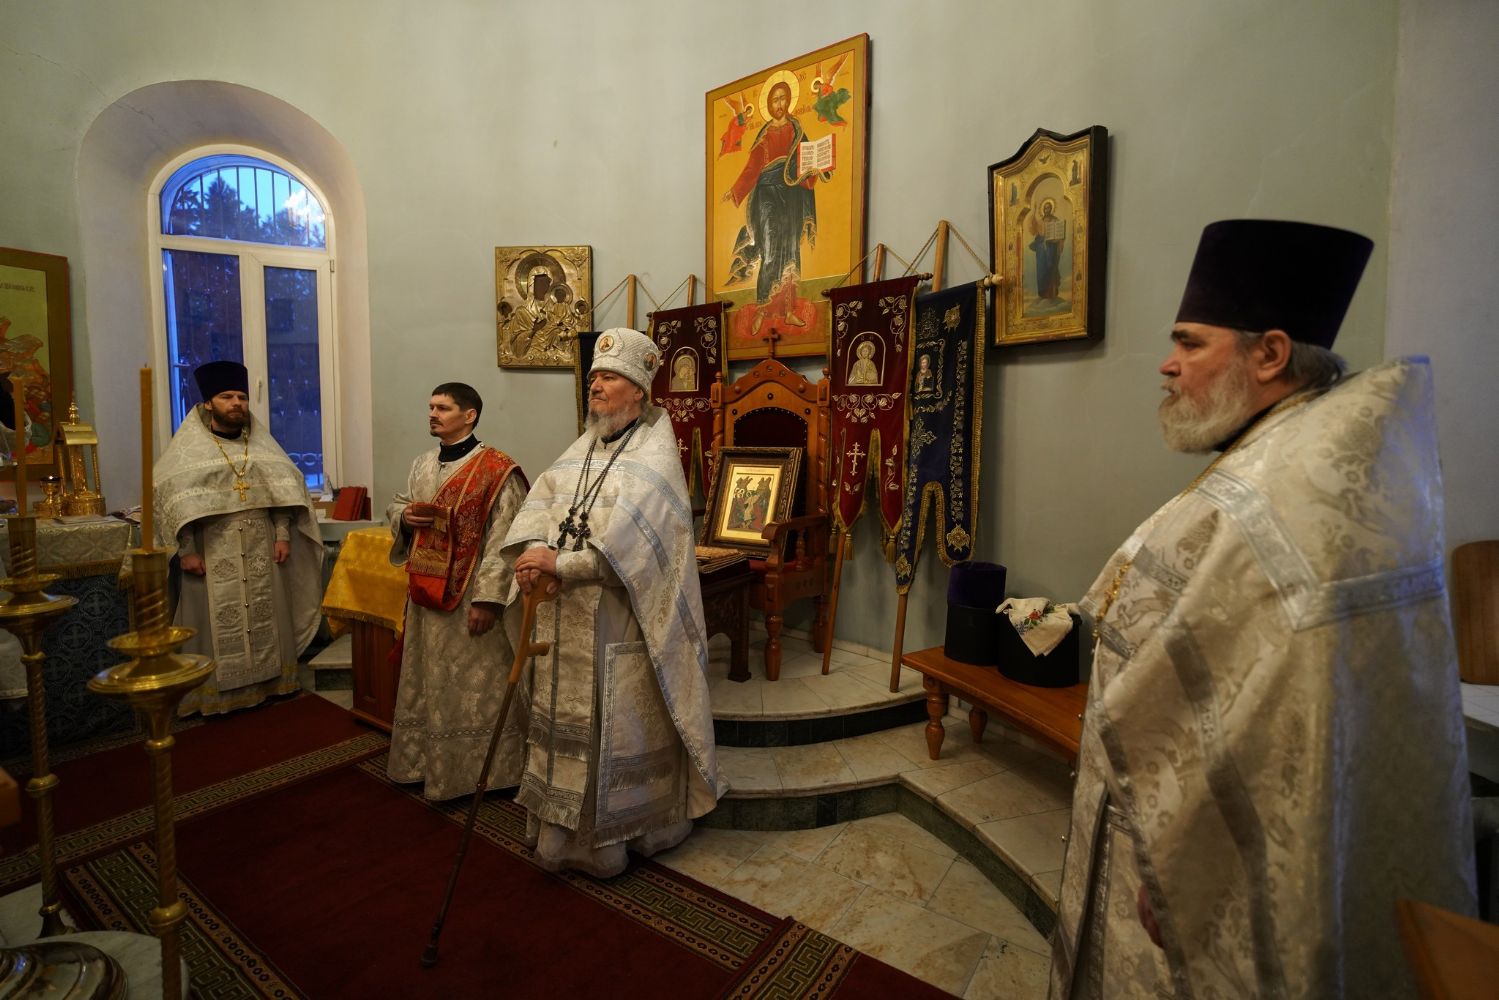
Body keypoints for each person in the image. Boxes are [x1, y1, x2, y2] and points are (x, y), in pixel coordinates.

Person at [1050, 220, 1476, 998]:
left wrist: (1189, 866)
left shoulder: (1285, 493)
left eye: (1189, 343)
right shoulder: (1293, 452)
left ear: (1269, 354)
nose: (1167, 364)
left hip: (1191, 856)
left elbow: (1277, 716)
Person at [503, 327, 722, 877]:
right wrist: (532, 555)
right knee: (562, 722)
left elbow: (635, 546)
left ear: (638, 390)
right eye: (594, 377)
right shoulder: (582, 448)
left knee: (610, 725)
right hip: (560, 614)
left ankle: (617, 838)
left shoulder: (655, 455)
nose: (595, 386)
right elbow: (539, 508)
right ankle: (559, 832)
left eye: (608, 377)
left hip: (617, 620)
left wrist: (562, 564)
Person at [152, 360, 323, 716]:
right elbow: (172, 506)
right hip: (210, 550)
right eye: (227, 396)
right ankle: (213, 697)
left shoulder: (262, 449)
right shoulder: (186, 454)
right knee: (214, 625)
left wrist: (282, 535)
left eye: (242, 397)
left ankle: (271, 685)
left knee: (265, 616)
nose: (236, 404)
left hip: (262, 546)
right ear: (207, 403)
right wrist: (185, 550)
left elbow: (282, 496)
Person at [385, 382, 528, 800]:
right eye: (431, 407)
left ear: (469, 416)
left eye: (443, 408)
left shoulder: (497, 469)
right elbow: (399, 503)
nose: (433, 414)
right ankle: (426, 764)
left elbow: (506, 539)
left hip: (469, 599)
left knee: (474, 688)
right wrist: (405, 517)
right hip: (425, 595)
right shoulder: (422, 464)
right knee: (428, 682)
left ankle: (484, 773)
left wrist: (488, 601)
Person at [723, 75, 831, 303]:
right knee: (770, 246)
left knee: (791, 247)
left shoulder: (797, 131)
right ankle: (763, 303)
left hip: (791, 193)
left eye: (783, 99)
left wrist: (818, 168)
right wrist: (735, 190)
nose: (779, 104)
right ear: (769, 105)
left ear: (789, 100)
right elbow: (752, 167)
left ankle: (787, 307)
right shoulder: (764, 135)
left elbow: (806, 162)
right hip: (767, 194)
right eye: (775, 100)